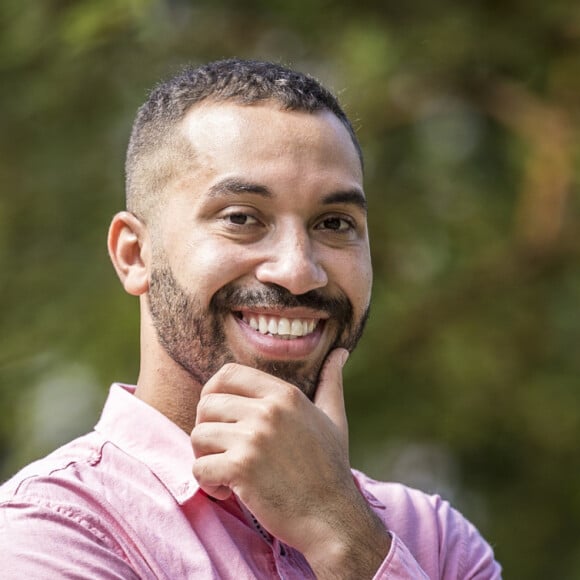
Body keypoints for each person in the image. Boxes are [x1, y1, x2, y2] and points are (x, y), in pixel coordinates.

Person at [0, 58, 501, 578]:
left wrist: (342, 532)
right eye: (241, 218)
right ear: (134, 254)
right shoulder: (48, 534)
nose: (298, 270)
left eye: (334, 223)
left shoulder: (438, 539)